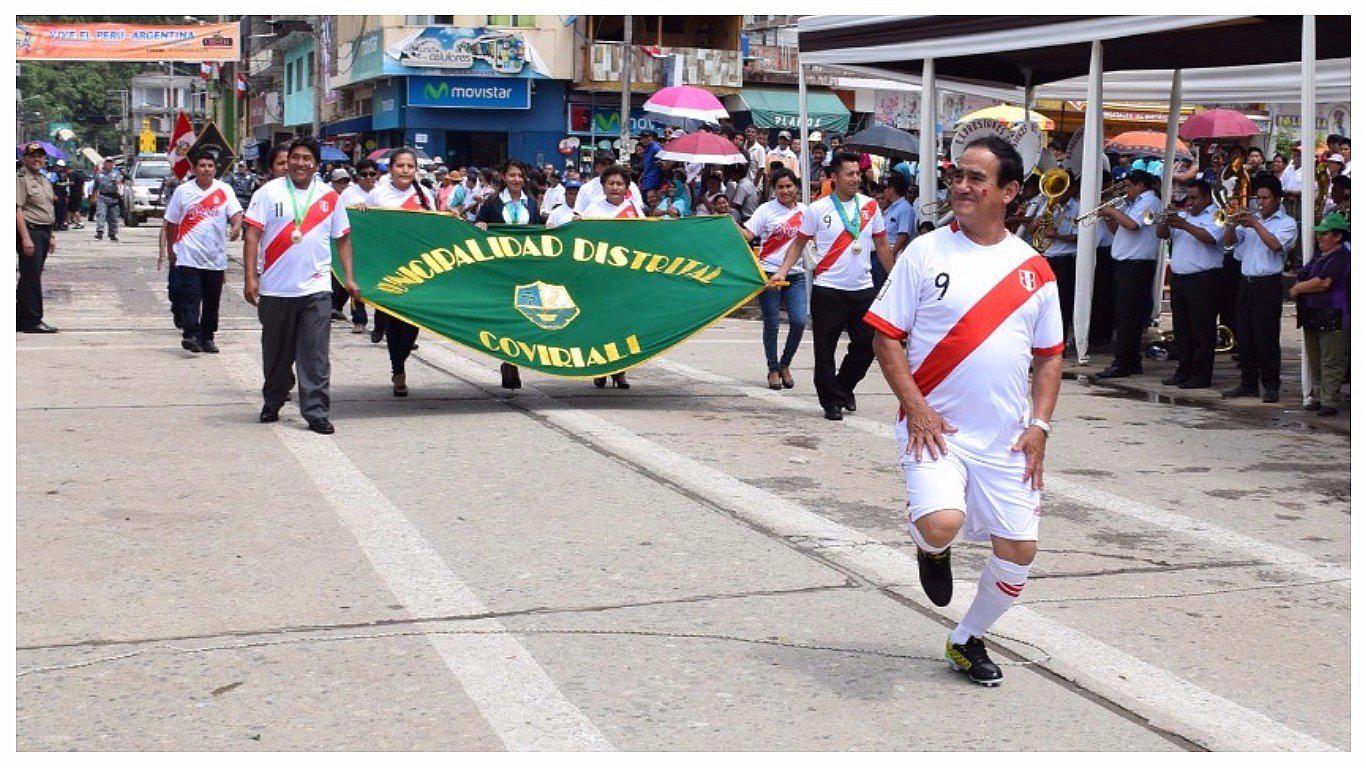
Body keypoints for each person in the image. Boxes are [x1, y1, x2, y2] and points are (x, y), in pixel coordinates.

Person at [863, 134, 1063, 687]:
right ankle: (931, 550)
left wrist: (1040, 426)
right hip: (936, 430)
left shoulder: (1034, 270)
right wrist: (916, 409)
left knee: (1019, 551)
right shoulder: (925, 253)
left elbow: (1049, 358)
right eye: (958, 176)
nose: (962, 186)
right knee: (941, 524)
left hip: (1006, 439)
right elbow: (885, 336)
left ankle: (967, 638)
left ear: (1009, 191)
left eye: (977, 178)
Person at [767, 151, 894, 421]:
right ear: (834, 177)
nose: (855, 178)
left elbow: (882, 245)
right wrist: (782, 271)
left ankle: (844, 387)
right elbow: (799, 244)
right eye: (849, 174)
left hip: (863, 288)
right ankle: (830, 402)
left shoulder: (870, 206)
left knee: (866, 345)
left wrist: (894, 278)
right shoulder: (817, 209)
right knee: (825, 350)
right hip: (828, 289)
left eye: (857, 173)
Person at [242, 138, 357, 434]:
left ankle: (316, 412)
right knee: (277, 356)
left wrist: (349, 277)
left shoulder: (329, 197)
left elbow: (343, 238)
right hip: (275, 289)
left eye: (307, 158)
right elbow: (252, 235)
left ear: (316, 165)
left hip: (316, 289)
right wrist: (250, 277)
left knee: (315, 355)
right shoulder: (268, 193)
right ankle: (274, 399)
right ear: (288, 160)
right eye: (295, 157)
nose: (300, 163)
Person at [360, 148, 432, 397]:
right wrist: (361, 213)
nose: (405, 170)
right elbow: (366, 228)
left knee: (412, 321)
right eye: (400, 166)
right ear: (390, 169)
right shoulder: (378, 194)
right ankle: (398, 369)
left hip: (420, 268)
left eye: (410, 166)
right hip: (389, 268)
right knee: (395, 319)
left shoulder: (425, 196)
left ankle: (400, 360)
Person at [1220, 175, 1297, 402]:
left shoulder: (1286, 223)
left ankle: (1271, 386)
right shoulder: (1251, 221)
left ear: (1277, 199)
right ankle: (1248, 383)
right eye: (1258, 198)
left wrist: (1255, 224)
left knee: (1266, 337)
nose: (1260, 203)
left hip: (1268, 284)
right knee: (1245, 336)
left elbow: (1275, 245)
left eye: (1265, 198)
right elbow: (1229, 242)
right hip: (1246, 282)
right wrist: (1230, 222)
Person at [162, 148, 243, 355]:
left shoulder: (224, 189)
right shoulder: (183, 191)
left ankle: (207, 337)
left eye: (210, 166)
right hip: (189, 255)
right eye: (202, 166)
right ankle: (190, 334)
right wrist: (171, 249)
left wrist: (236, 226)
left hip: (215, 257)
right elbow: (171, 222)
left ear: (215, 169)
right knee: (191, 297)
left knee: (211, 301)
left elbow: (236, 213)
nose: (206, 169)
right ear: (194, 169)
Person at [476, 160, 542, 390]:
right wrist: (481, 225)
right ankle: (508, 359)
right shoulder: (492, 202)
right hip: (499, 268)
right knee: (505, 312)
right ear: (503, 177)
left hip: (524, 268)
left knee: (522, 313)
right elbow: (478, 224)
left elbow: (538, 233)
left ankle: (513, 359)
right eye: (512, 175)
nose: (516, 180)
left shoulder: (531, 203)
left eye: (520, 176)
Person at [1095, 170, 1164, 378]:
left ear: (1140, 185)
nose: (1125, 190)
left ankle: (1123, 363)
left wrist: (1111, 210)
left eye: (1128, 186)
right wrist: (1109, 216)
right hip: (1126, 264)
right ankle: (1131, 361)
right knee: (1125, 315)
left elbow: (1133, 225)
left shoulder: (1149, 201)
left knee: (1128, 317)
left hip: (1137, 265)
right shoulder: (1132, 204)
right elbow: (1119, 230)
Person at [745, 168, 809, 389]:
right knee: (771, 324)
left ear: (796, 187)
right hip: (769, 274)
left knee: (799, 322)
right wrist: (728, 223)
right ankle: (773, 368)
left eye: (789, 186)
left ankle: (785, 364)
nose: (785, 191)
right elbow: (749, 235)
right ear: (774, 189)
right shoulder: (765, 210)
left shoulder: (806, 211)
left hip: (796, 274)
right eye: (780, 187)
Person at [1156, 180, 1224, 389]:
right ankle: (1183, 370)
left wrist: (1184, 225)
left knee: (1201, 329)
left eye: (1194, 198)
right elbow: (1162, 235)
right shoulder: (1184, 215)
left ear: (1206, 198)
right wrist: (1165, 220)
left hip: (1204, 279)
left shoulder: (1216, 215)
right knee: (1182, 328)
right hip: (1180, 278)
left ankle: (1201, 375)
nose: (1190, 202)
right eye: (1188, 198)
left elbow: (1210, 238)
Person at [579, 165, 639, 388]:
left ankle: (620, 371)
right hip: (599, 277)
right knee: (600, 325)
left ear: (626, 188)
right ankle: (600, 369)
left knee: (623, 326)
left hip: (625, 278)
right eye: (611, 183)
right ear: (603, 187)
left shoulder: (633, 209)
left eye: (619, 184)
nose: (615, 187)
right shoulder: (593, 211)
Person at [1291, 212, 1350, 416]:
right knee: (1316, 360)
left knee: (1331, 360)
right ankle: (1319, 396)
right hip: (1314, 314)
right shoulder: (1319, 256)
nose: (1319, 238)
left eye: (1325, 234)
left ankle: (1329, 401)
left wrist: (1298, 288)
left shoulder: (1342, 257)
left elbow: (1324, 282)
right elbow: (1306, 275)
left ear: (1338, 236)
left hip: (1334, 314)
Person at [1030, 177, 1080, 344]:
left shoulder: (1078, 207)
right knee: (1043, 303)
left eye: (1062, 188)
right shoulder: (1048, 205)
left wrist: (1058, 235)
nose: (1059, 193)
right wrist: (1036, 223)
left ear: (1071, 189)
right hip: (1048, 257)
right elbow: (1031, 230)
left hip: (1066, 259)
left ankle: (1060, 341)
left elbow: (1080, 237)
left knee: (1062, 303)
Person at [16, 142, 59, 333]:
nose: (37, 159)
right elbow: (16, 209)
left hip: (44, 231)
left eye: (40, 156)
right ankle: (32, 320)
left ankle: (19, 318)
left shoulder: (43, 179)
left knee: (31, 275)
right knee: (31, 277)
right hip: (30, 230)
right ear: (24, 158)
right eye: (32, 156)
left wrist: (52, 235)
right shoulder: (20, 178)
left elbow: (48, 208)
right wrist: (25, 238)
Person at [337, 159, 378, 334]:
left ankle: (382, 323)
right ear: (357, 176)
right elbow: (340, 216)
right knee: (357, 281)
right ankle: (359, 319)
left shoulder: (381, 193)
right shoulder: (348, 194)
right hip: (356, 245)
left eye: (372, 174)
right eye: (364, 174)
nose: (368, 178)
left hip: (377, 245)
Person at [878, 171, 917, 288]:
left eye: (886, 189)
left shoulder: (905, 208)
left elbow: (903, 236)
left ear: (892, 190)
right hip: (885, 252)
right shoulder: (890, 208)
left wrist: (889, 255)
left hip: (896, 254)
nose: (885, 192)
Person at [575, 151, 644, 216]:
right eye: (604, 164)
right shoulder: (587, 189)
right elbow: (578, 213)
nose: (615, 188)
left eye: (610, 164)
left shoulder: (631, 188)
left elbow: (640, 210)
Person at [90, 158, 122, 241]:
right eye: (107, 163)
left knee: (113, 217)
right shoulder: (99, 174)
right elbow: (95, 186)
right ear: (104, 164)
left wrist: (118, 182)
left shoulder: (116, 173)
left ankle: (112, 233)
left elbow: (120, 182)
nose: (109, 165)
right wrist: (93, 197)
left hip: (113, 197)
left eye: (110, 163)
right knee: (101, 214)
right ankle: (100, 232)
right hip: (102, 197)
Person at [638, 128, 663, 193]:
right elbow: (647, 165)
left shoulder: (656, 148)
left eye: (646, 137)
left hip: (653, 183)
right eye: (642, 137)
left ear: (652, 137)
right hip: (646, 181)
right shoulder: (646, 148)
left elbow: (662, 165)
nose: (643, 139)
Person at [51, 160, 71, 231]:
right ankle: (55, 224)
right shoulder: (54, 174)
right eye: (59, 166)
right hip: (57, 194)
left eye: (62, 167)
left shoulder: (65, 175)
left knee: (63, 210)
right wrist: (53, 194)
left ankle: (61, 224)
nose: (60, 168)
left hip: (63, 195)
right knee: (56, 210)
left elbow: (66, 186)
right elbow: (51, 185)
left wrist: (67, 196)